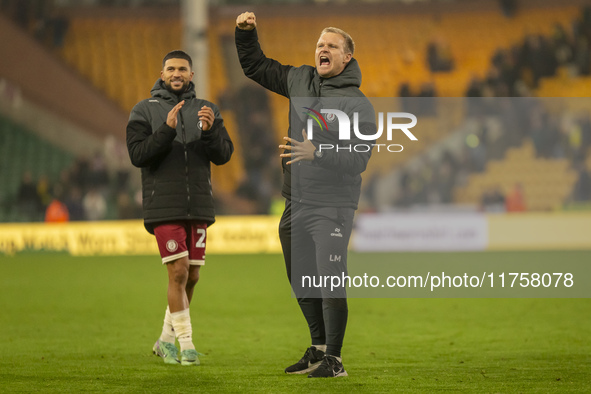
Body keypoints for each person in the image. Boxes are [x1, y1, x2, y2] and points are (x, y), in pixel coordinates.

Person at [236, 12, 376, 378]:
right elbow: (255, 66)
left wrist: (319, 153)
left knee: (329, 279)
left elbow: (359, 159)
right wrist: (245, 33)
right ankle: (317, 348)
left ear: (347, 58)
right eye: (319, 44)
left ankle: (336, 359)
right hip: (296, 199)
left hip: (332, 204)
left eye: (332, 46)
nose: (322, 49)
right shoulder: (299, 79)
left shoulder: (357, 105)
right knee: (301, 278)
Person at [126, 50, 234, 366]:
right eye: (171, 68)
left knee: (193, 276)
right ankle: (186, 347)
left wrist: (212, 131)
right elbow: (138, 155)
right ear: (162, 75)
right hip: (164, 205)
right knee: (179, 271)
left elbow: (224, 154)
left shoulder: (208, 109)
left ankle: (165, 339)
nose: (177, 73)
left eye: (182, 69)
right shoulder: (143, 110)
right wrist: (167, 130)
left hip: (198, 204)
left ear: (191, 75)